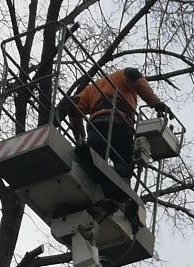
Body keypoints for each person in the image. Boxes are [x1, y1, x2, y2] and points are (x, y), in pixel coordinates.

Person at [61, 67, 168, 206]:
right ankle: (119, 199)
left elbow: (73, 107)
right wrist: (155, 103)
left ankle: (97, 185)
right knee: (123, 164)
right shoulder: (120, 76)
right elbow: (133, 74)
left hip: (96, 128)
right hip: (120, 125)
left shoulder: (92, 88)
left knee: (94, 161)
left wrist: (80, 138)